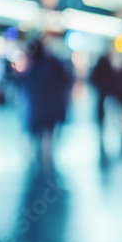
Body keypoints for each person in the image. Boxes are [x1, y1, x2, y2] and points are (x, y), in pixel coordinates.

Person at [20, 39, 73, 178]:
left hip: (37, 110)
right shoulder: (53, 63)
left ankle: (38, 170)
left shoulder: (31, 65)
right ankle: (47, 168)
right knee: (47, 138)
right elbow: (64, 83)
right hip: (50, 109)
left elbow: (25, 87)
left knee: (36, 137)